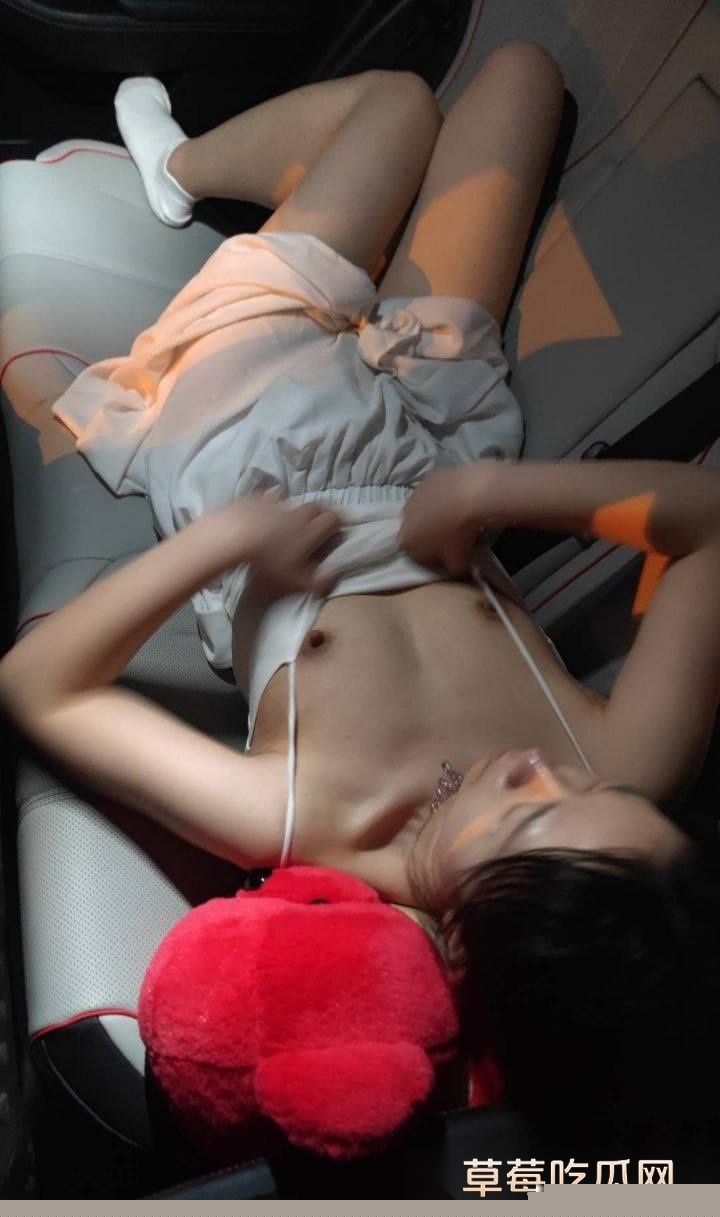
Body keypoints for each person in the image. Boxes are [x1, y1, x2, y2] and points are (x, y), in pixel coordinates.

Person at [2, 46, 720, 1157]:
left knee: (394, 105)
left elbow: (39, 684)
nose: (540, 765)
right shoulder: (625, 757)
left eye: (527, 813)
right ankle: (272, 210)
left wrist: (229, 543)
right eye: (586, 788)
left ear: (461, 946)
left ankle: (177, 171)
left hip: (257, 432)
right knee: (521, 76)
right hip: (442, 430)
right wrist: (493, 494)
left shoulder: (303, 811)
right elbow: (707, 521)